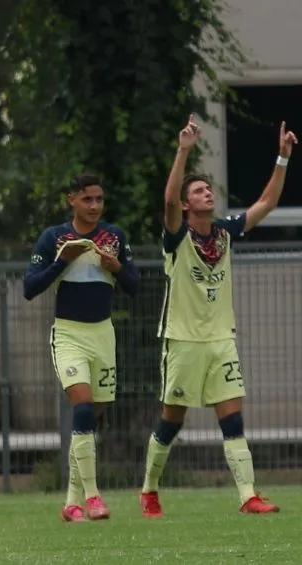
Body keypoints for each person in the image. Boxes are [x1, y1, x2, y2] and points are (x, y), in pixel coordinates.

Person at [139, 115, 297, 517]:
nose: (207, 193)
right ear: (189, 204)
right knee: (172, 420)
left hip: (221, 340)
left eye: (208, 189)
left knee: (232, 418)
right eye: (199, 190)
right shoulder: (176, 237)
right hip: (183, 340)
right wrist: (183, 150)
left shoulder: (225, 232)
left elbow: (267, 204)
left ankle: (248, 495)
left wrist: (282, 159)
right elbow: (169, 201)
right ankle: (150, 489)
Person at [24, 174, 139, 522]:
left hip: (103, 335)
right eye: (87, 199)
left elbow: (135, 285)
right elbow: (29, 288)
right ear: (71, 200)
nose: (94, 206)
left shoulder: (114, 237)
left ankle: (71, 501)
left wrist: (116, 267)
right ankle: (93, 497)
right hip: (69, 335)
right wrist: (63, 260)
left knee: (91, 419)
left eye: (99, 200)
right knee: (84, 409)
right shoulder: (54, 238)